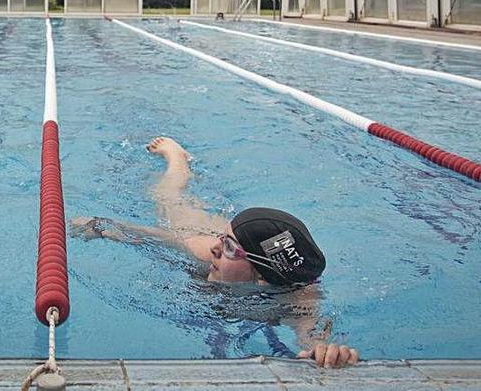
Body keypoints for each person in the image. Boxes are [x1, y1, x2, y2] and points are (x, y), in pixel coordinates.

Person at [70, 136, 360, 369]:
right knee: (170, 197)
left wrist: (326, 351)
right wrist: (102, 226)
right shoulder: (203, 250)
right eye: (224, 239)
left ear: (261, 276)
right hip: (192, 227)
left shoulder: (299, 296)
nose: (215, 248)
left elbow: (311, 335)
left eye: (229, 247)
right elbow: (153, 237)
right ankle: (177, 158)